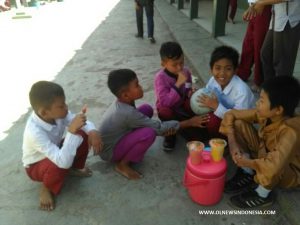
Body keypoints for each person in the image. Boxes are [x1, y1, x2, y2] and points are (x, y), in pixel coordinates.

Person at [99, 69, 208, 179]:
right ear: (125, 95)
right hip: (110, 152)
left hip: (118, 135)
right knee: (149, 133)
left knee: (147, 109)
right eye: (137, 85)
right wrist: (190, 122)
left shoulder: (122, 102)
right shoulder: (128, 113)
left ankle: (131, 146)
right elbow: (159, 128)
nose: (141, 87)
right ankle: (123, 164)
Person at [220, 76, 300, 209]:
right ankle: (248, 173)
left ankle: (262, 194)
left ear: (278, 110)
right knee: (238, 124)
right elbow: (231, 114)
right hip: (266, 154)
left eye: (262, 101)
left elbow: (274, 165)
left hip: (288, 171)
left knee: (274, 165)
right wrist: (232, 141)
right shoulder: (268, 114)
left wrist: (248, 162)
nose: (257, 103)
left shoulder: (291, 132)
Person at [22, 81, 103, 211]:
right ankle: (46, 187)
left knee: (83, 134)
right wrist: (71, 131)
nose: (66, 107)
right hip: (36, 166)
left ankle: (74, 169)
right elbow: (63, 162)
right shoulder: (34, 132)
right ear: (44, 112)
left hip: (55, 150)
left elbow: (77, 120)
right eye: (61, 106)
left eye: (64, 103)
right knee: (58, 165)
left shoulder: (57, 114)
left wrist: (92, 131)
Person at [154, 41, 210, 151]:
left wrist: (190, 93)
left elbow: (188, 87)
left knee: (199, 136)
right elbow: (165, 102)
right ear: (163, 64)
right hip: (169, 109)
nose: (179, 67)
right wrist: (178, 84)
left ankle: (184, 125)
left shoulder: (186, 72)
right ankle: (170, 135)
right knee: (165, 111)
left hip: (182, 106)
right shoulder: (160, 78)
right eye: (174, 65)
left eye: (182, 62)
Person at [199, 45, 256, 138]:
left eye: (228, 69)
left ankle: (224, 143)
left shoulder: (242, 91)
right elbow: (207, 95)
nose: (222, 73)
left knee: (212, 121)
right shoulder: (213, 80)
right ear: (211, 69)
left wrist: (216, 106)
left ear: (235, 71)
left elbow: (239, 119)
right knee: (199, 112)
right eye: (217, 68)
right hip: (222, 116)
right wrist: (198, 95)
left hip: (240, 125)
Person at [249, 0, 300, 80]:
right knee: (266, 54)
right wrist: (254, 5)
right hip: (277, 18)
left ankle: (280, 90)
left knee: (282, 63)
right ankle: (270, 87)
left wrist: (262, 3)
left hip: (288, 21)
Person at [236, 1, 271, 92]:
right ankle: (242, 73)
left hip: (264, 7)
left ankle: (259, 81)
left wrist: (259, 4)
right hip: (254, 6)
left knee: (259, 46)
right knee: (248, 44)